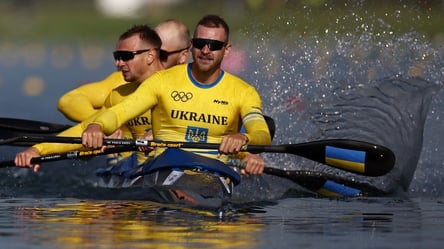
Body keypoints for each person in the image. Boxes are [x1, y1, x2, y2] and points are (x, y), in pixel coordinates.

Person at [81, 15, 272, 175]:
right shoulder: (162, 80)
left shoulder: (244, 92)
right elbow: (120, 112)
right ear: (191, 46)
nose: (205, 51)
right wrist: (96, 126)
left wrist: (243, 139)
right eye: (200, 44)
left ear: (227, 50)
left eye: (213, 45)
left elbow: (262, 133)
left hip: (214, 172)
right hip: (163, 168)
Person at [14, 24, 167, 172]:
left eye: (126, 57)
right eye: (117, 56)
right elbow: (83, 127)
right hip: (141, 169)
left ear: (150, 56)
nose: (118, 63)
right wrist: (37, 150)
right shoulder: (119, 94)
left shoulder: (181, 82)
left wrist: (162, 134)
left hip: (182, 163)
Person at [57, 19, 190, 122]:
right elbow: (68, 101)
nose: (155, 58)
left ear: (183, 56)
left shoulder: (193, 86)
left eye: (162, 53)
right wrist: (104, 123)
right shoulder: (121, 82)